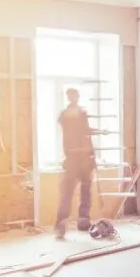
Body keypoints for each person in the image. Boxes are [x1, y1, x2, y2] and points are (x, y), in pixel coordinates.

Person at [55, 87, 99, 239]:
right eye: (73, 96)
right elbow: (83, 131)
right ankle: (62, 224)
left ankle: (82, 222)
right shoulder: (72, 114)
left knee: (84, 190)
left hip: (83, 157)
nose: (75, 98)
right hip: (75, 157)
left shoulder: (73, 114)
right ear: (70, 97)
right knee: (68, 191)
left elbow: (85, 132)